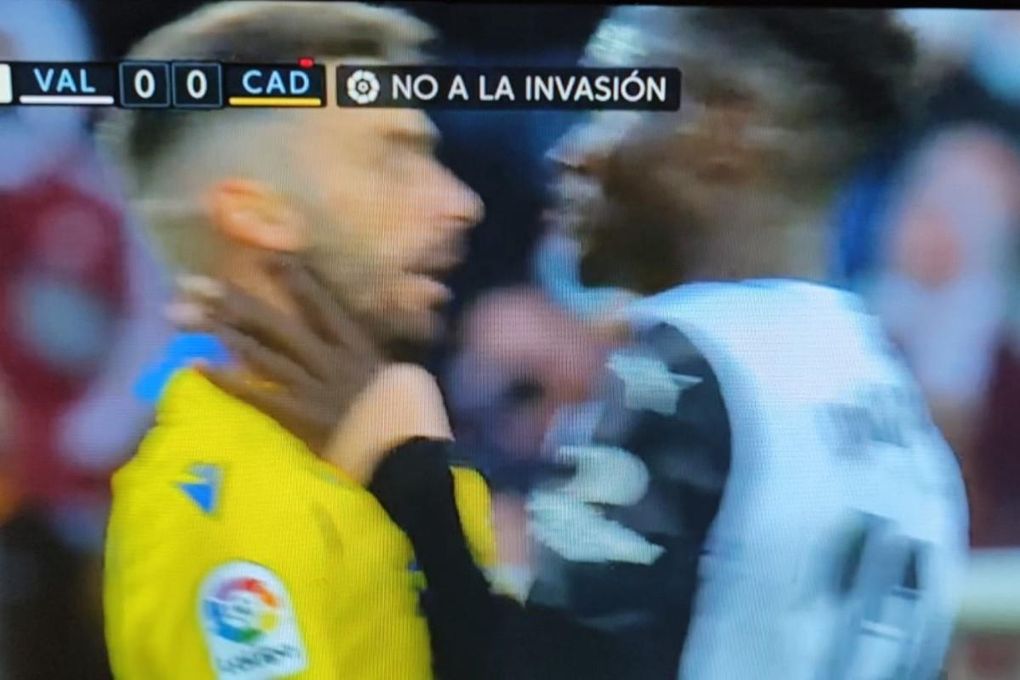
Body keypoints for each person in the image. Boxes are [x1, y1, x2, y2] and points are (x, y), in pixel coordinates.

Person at [182, 7, 970, 680]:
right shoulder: (889, 402)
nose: (571, 151)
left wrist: (397, 461)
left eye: (611, 104)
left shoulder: (693, 371)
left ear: (728, 129)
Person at [99, 2, 497, 679]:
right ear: (258, 214)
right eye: (395, 161)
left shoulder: (411, 460)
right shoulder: (224, 498)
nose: (461, 203)